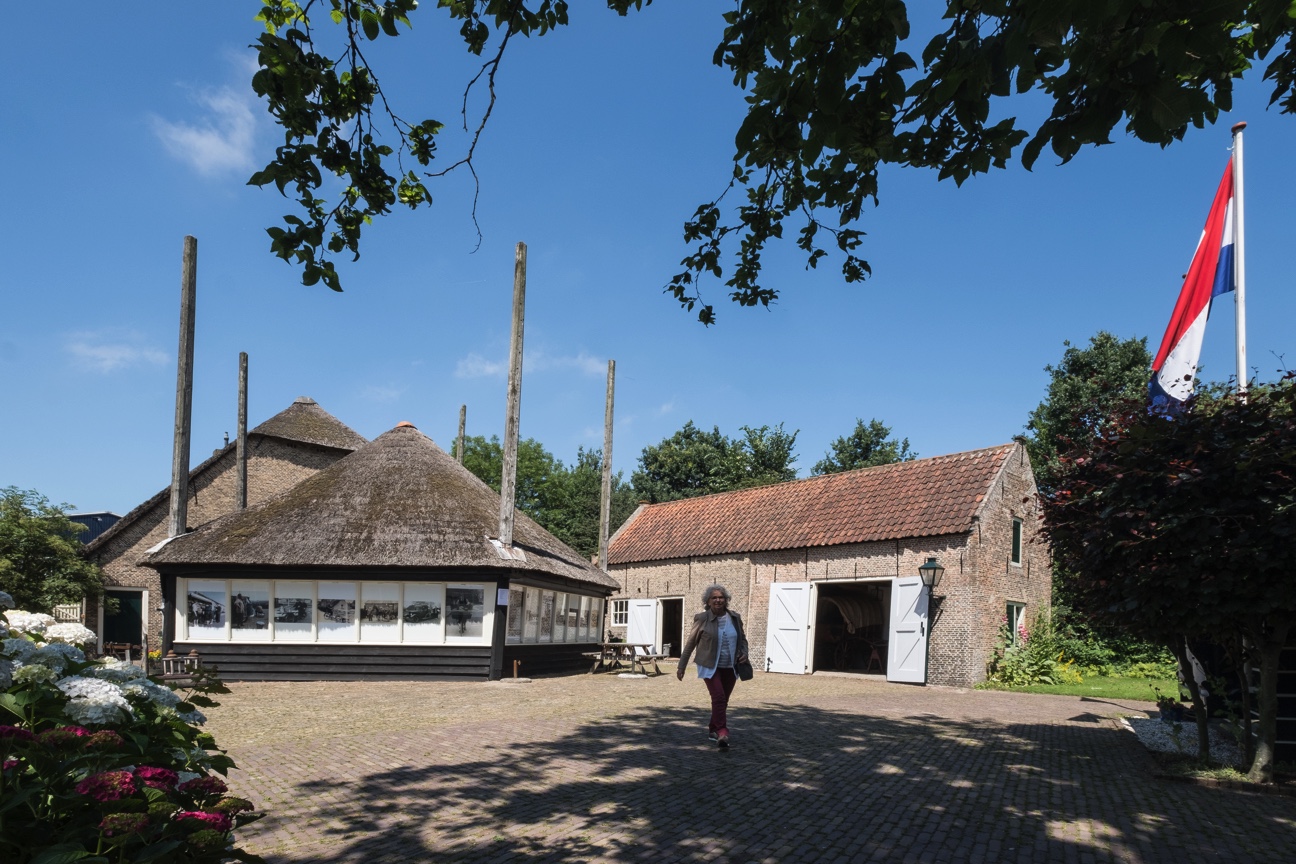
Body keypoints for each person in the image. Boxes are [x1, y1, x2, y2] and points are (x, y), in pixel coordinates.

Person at [677, 584, 749, 750]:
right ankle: (723, 732)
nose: (718, 600)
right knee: (718, 698)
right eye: (714, 598)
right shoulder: (702, 619)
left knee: (723, 700)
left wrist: (744, 652)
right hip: (710, 666)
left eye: (721, 597)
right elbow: (690, 643)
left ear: (726, 600)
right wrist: (681, 666)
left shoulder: (735, 618)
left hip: (731, 666)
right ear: (708, 601)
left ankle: (712, 730)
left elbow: (743, 639)